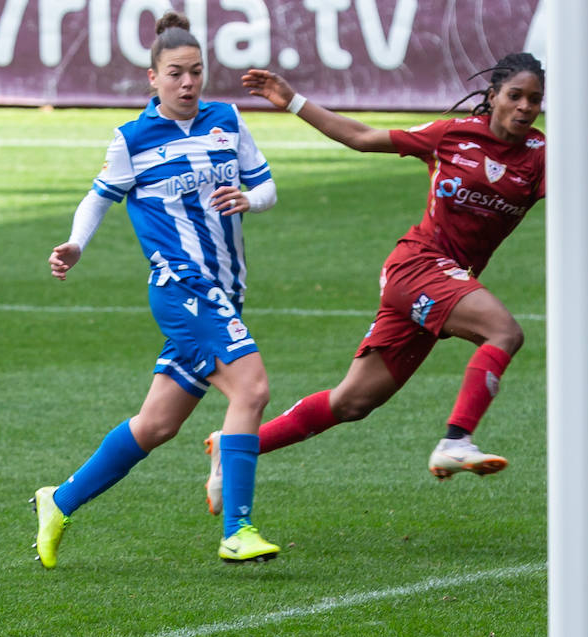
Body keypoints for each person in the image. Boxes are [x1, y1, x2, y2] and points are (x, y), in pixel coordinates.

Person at [202, 53, 546, 515]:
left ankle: (237, 446)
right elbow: (363, 138)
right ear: (493, 96)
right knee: (503, 332)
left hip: (448, 282)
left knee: (352, 403)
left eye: (535, 100)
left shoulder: (541, 156)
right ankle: (457, 439)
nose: (525, 107)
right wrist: (292, 101)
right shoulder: (452, 135)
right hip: (418, 266)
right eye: (515, 96)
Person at [36, 11, 281, 567]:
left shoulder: (227, 119)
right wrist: (76, 244)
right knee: (252, 388)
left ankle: (59, 500)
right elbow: (99, 196)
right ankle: (237, 528)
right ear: (153, 78)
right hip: (180, 287)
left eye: (196, 72)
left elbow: (265, 188)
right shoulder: (132, 138)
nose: (188, 83)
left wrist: (248, 199)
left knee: (157, 425)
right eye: (175, 73)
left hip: (224, 291)